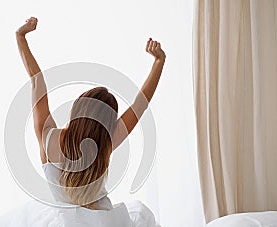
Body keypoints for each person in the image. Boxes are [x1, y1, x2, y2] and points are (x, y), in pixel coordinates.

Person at [16, 17, 165, 210]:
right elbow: (140, 104)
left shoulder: (48, 136)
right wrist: (159, 61)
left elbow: (37, 81)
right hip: (105, 225)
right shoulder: (107, 141)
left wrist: (21, 37)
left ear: (77, 108)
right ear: (108, 123)